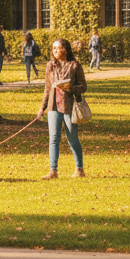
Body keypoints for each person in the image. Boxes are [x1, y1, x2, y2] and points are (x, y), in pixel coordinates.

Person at [37, 38, 87, 180]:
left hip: (69, 106)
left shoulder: (74, 66)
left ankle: (79, 169)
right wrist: (42, 108)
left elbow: (83, 87)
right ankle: (53, 171)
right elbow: (47, 89)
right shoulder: (50, 66)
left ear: (65, 49)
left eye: (58, 48)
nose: (56, 51)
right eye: (54, 48)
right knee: (53, 138)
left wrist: (70, 88)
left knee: (72, 138)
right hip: (53, 106)